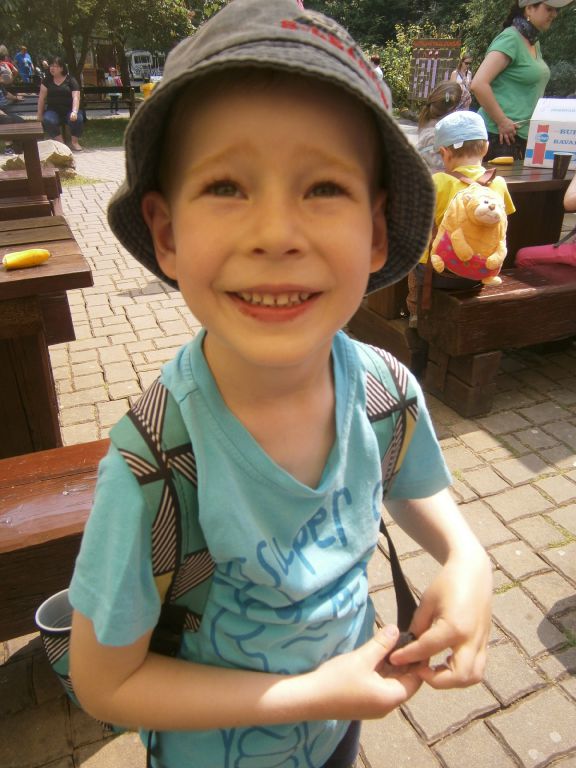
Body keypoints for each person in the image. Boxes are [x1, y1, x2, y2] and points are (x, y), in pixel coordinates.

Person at [68, 3, 492, 767]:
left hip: (337, 728)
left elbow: (412, 489)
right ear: (167, 233)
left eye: (323, 187)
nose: (275, 234)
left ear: (375, 231)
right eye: (227, 186)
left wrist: (469, 561)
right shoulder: (155, 466)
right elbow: (105, 683)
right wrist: (316, 693)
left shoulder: (383, 391)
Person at [407, 110, 516, 323]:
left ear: (444, 152)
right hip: (480, 271)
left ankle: (415, 314)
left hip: (438, 272)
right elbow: (505, 217)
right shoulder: (498, 183)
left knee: (415, 260)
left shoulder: (437, 182)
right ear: (486, 147)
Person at [471, 0, 572, 161]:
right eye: (549, 9)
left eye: (556, 10)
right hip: (500, 137)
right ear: (529, 8)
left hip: (522, 137)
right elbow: (478, 84)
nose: (554, 14)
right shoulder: (510, 38)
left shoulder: (533, 42)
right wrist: (502, 121)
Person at [37, 56, 83, 151]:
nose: (52, 68)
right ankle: (61, 143)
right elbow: (41, 98)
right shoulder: (47, 81)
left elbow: (76, 97)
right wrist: (39, 114)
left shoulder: (71, 80)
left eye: (55, 66)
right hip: (53, 110)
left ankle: (74, 142)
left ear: (62, 68)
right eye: (51, 66)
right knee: (48, 119)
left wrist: (74, 111)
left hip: (69, 109)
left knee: (78, 118)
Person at [417, 81, 463, 172]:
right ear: (454, 109)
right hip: (437, 177)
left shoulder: (426, 121)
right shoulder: (444, 132)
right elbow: (442, 166)